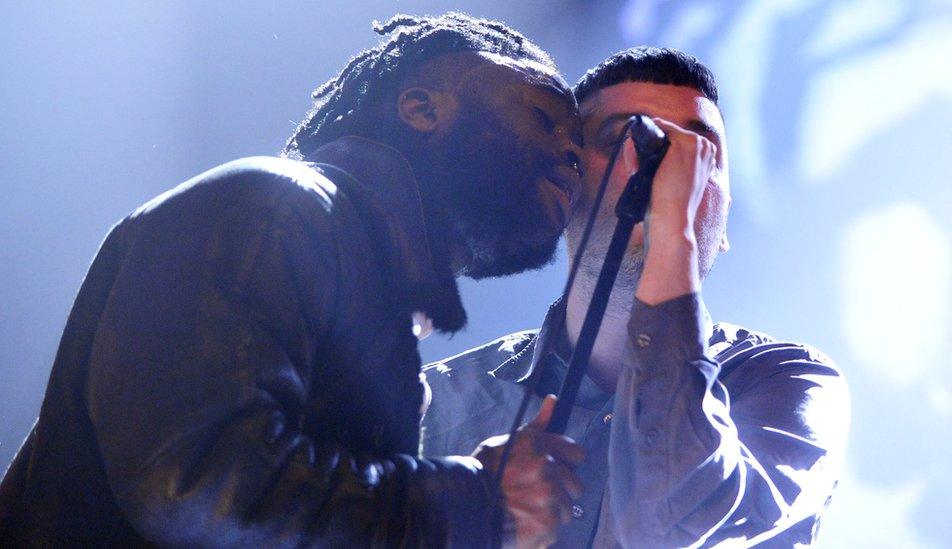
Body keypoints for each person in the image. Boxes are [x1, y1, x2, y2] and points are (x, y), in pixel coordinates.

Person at [0, 13, 587, 547]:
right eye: (544, 118)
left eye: (580, 147)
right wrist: (475, 500)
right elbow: (197, 487)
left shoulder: (365, 292)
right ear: (421, 109)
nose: (572, 154)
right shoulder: (268, 207)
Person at [422, 47, 851, 547]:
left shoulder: (789, 384)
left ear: (725, 214)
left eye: (698, 152)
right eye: (628, 136)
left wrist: (672, 235)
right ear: (566, 188)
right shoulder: (438, 402)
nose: (666, 167)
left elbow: (679, 515)